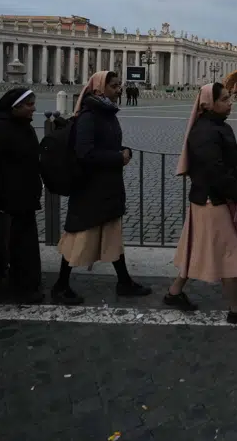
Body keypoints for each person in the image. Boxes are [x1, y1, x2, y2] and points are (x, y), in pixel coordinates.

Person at [165, 83, 237, 327]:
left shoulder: (219, 127)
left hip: (209, 200)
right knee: (229, 254)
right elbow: (215, 172)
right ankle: (235, 310)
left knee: (195, 248)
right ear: (210, 104)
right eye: (226, 99)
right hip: (211, 202)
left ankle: (174, 293)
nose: (231, 102)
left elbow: (233, 164)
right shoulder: (205, 133)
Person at [52, 70, 151, 304]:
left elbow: (106, 143)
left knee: (113, 235)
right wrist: (118, 157)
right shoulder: (89, 115)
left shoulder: (106, 113)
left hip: (106, 187)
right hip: (91, 188)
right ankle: (60, 285)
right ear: (98, 90)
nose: (119, 90)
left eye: (120, 85)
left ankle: (124, 281)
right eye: (114, 86)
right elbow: (84, 152)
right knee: (79, 236)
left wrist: (123, 151)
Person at [0, 88, 44, 303]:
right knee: (1, 244)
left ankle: (25, 283)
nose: (34, 108)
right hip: (2, 201)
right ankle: (2, 284)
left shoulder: (26, 128)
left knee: (23, 245)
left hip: (23, 199)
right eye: (29, 104)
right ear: (15, 107)